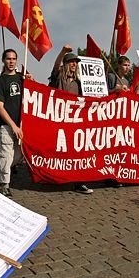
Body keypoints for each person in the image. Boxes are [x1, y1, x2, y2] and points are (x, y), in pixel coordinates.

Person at [49, 45, 92, 194]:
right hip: (60, 120)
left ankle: (79, 182)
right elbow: (55, 67)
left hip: (75, 122)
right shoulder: (60, 76)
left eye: (76, 62)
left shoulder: (79, 83)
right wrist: (63, 52)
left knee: (78, 152)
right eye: (72, 61)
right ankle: (55, 176)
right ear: (66, 64)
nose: (75, 64)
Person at [0, 49, 32, 197]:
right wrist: (13, 126)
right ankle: (5, 185)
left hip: (22, 126)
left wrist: (31, 83)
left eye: (14, 59)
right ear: (3, 60)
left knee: (20, 155)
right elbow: (0, 108)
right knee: (6, 155)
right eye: (8, 59)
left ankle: (4, 169)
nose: (11, 61)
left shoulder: (22, 80)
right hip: (7, 126)